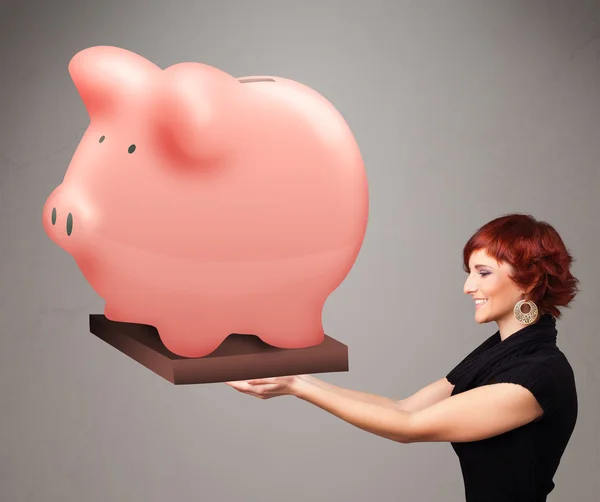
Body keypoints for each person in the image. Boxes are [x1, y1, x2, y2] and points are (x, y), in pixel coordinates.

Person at [226, 213, 580, 502]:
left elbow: (407, 428)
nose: (468, 286)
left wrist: (295, 386)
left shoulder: (538, 375)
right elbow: (405, 408)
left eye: (483, 273)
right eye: (469, 272)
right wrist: (299, 380)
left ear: (529, 281)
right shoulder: (498, 353)